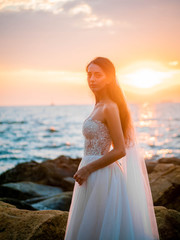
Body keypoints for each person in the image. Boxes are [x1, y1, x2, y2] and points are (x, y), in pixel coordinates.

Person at [64, 57, 159, 240]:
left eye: (97, 75)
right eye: (89, 74)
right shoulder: (98, 106)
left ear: (109, 78)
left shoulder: (110, 107)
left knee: (101, 227)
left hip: (101, 175)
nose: (92, 79)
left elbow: (120, 150)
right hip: (90, 172)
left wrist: (87, 169)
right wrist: (85, 169)